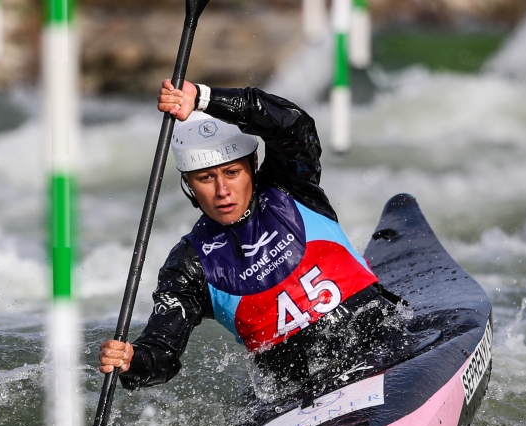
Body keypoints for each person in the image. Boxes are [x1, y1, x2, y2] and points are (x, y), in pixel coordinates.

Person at [100, 79, 417, 398]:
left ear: (253, 165)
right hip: (294, 395)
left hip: (379, 344)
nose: (222, 190)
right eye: (206, 178)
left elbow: (292, 125)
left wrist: (205, 98)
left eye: (232, 173)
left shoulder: (291, 187)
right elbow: (162, 353)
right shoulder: (189, 265)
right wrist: (133, 360)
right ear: (189, 185)